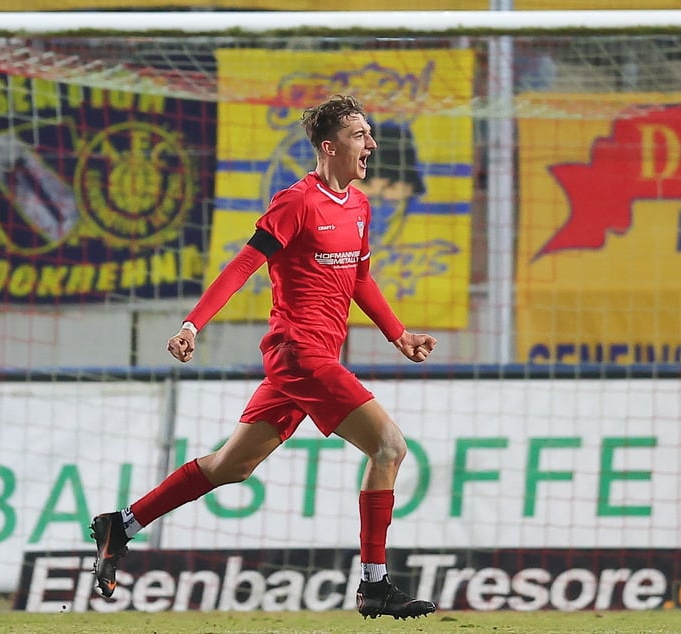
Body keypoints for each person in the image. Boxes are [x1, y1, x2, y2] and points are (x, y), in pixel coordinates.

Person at [89, 94, 438, 620]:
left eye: (369, 134)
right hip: (299, 356)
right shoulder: (296, 202)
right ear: (329, 146)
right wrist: (192, 324)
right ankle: (375, 584)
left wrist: (397, 334)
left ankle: (122, 524)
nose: (371, 144)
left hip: (310, 359)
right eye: (360, 135)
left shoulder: (360, 207)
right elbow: (241, 266)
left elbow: (360, 279)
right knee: (388, 447)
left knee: (231, 466)